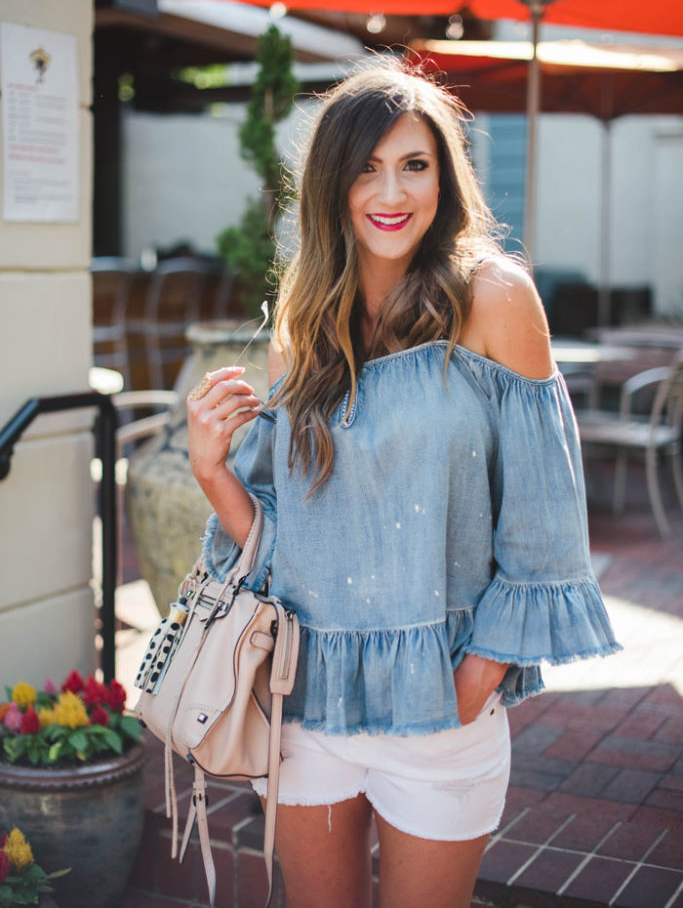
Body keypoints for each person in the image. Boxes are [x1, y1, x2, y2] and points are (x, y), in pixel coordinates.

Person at [186, 62, 620, 908]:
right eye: (365, 166)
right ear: (330, 184)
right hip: (305, 696)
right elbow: (290, 547)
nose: (391, 191)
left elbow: (544, 522)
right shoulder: (302, 325)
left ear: (443, 177)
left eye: (414, 164)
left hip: (441, 703)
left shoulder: (495, 298)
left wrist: (476, 678)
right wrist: (210, 469)